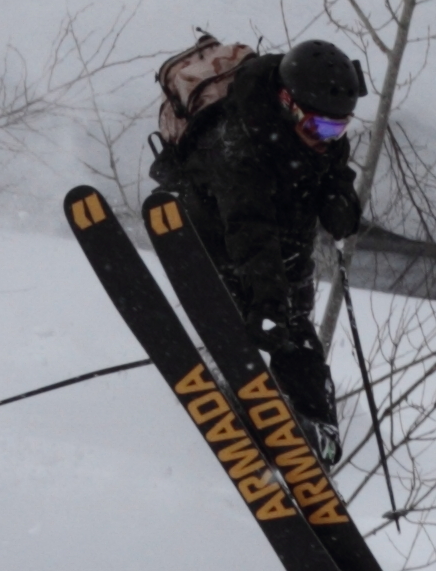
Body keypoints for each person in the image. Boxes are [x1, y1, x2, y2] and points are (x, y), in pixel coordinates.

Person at [150, 35, 367, 447]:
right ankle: (237, 410)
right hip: (221, 233)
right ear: (288, 104)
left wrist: (342, 201)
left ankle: (317, 427)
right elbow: (249, 228)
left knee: (296, 330)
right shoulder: (235, 141)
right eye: (319, 126)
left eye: (339, 128)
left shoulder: (321, 135)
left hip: (287, 233)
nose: (328, 137)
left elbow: (334, 168)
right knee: (246, 321)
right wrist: (267, 304)